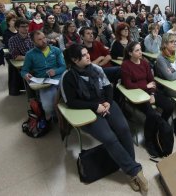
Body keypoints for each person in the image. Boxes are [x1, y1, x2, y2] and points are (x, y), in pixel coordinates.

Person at [61, 44, 148, 192]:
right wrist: (95, 107)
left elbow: (108, 87)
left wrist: (108, 101)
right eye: (83, 55)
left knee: (124, 129)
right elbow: (71, 102)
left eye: (87, 53)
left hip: (105, 103)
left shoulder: (96, 69)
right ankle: (134, 171)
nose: (88, 56)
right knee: (109, 137)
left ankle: (130, 169)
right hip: (87, 110)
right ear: (75, 60)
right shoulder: (68, 77)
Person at [121, 41, 174, 121]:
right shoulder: (125, 65)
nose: (140, 52)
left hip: (149, 91)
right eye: (137, 50)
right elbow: (128, 85)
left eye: (140, 49)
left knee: (170, 106)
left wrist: (152, 94)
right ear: (130, 53)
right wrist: (145, 86)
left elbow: (151, 80)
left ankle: (162, 125)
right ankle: (157, 128)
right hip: (137, 93)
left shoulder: (144, 63)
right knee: (152, 114)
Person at [21, 30, 66, 120]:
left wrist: (55, 71)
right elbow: (24, 71)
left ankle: (64, 115)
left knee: (68, 98)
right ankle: (54, 116)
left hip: (59, 79)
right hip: (44, 83)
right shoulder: (30, 54)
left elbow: (63, 66)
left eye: (44, 38)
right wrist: (26, 75)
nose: (44, 41)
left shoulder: (55, 50)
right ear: (33, 42)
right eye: (40, 39)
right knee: (48, 107)